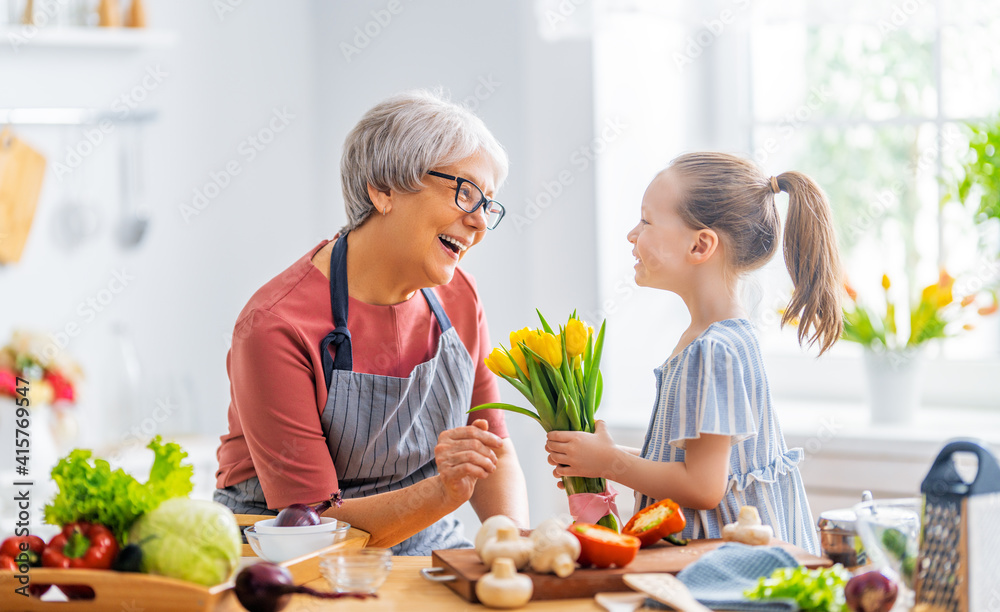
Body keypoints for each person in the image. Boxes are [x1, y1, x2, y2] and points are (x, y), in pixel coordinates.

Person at [214, 90, 529, 555]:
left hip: (426, 538)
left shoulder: (461, 297)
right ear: (383, 189)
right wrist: (444, 490)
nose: (479, 221)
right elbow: (309, 525)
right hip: (289, 553)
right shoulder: (274, 325)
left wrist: (514, 549)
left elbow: (491, 449)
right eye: (465, 192)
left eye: (488, 203)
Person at [545, 152, 843, 554]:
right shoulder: (715, 337)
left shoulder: (713, 350)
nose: (632, 235)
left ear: (701, 244)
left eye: (647, 221)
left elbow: (703, 488)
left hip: (724, 568)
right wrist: (605, 456)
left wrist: (609, 463)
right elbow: (701, 465)